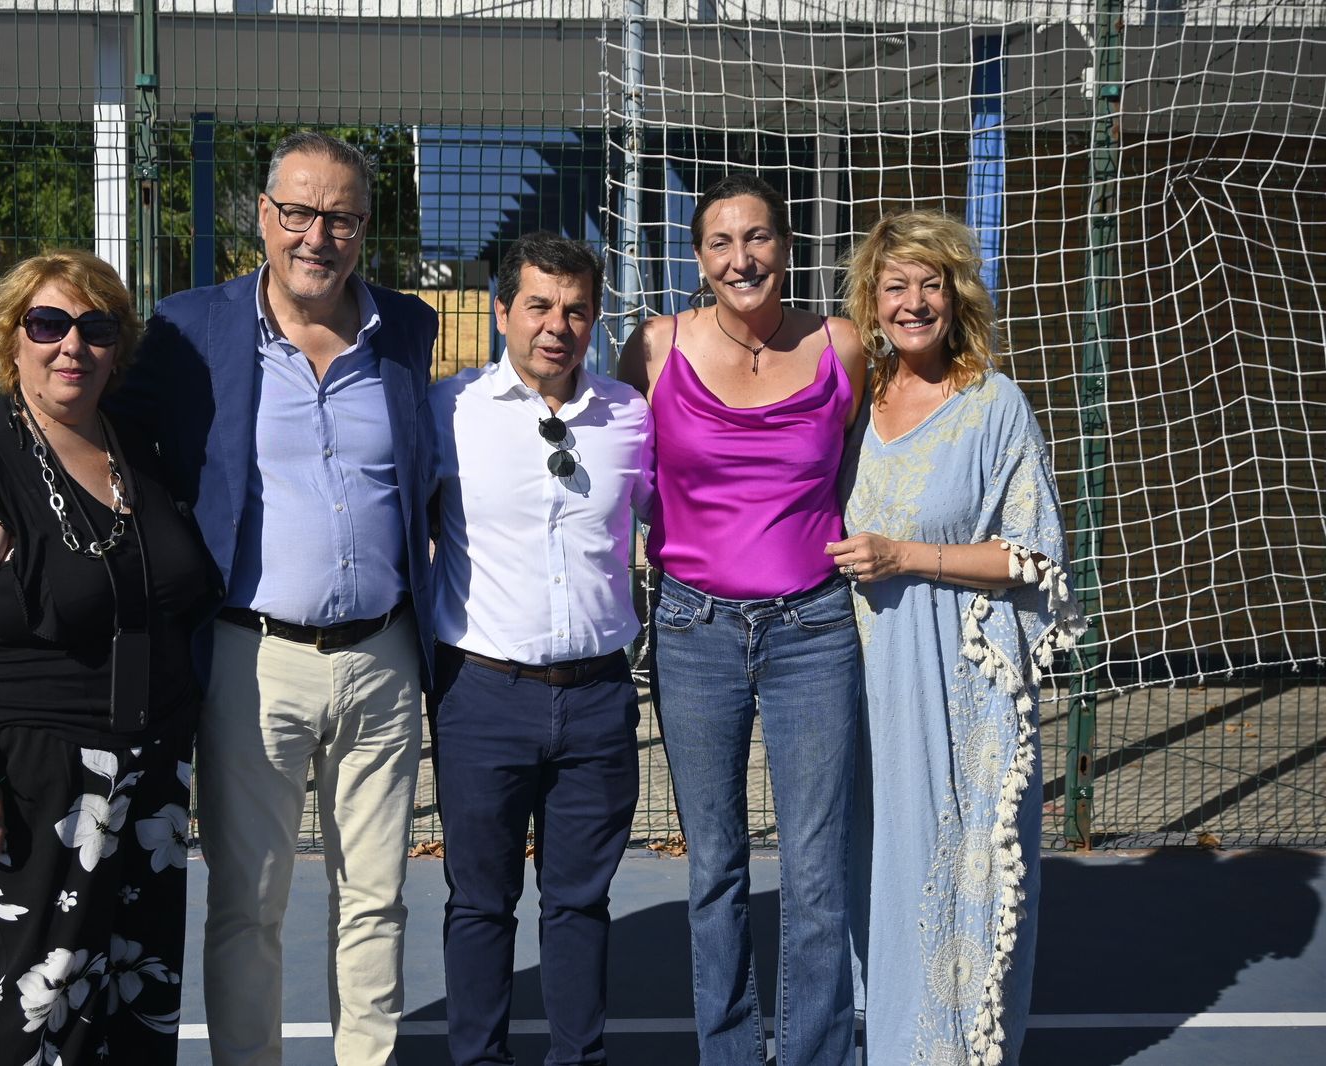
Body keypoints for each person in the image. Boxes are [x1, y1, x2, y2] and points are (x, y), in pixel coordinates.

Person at [0, 131, 439, 1066]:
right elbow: (78, 400)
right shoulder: (194, 328)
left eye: (342, 217)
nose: (317, 236)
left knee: (376, 899)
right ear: (264, 217)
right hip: (254, 657)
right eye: (298, 212)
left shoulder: (406, 328)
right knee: (249, 899)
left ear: (365, 227)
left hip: (384, 657)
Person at [0, 249, 222, 1065]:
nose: (72, 345)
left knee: (137, 1001)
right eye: (47, 324)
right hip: (35, 780)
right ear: (13, 339)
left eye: (95, 328)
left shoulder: (132, 444)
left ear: (117, 348)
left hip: (149, 776)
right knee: (39, 1011)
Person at [618, 173, 867, 1066]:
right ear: (698, 258)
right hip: (694, 630)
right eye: (721, 242)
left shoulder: (843, 345)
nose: (741, 258)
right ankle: (726, 1054)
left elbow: (876, 469)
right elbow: (611, 464)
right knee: (716, 864)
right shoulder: (654, 348)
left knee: (815, 871)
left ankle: (812, 1055)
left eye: (758, 237)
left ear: (787, 248)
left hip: (815, 631)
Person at [826, 209, 1084, 1066]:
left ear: (956, 295)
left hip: (957, 682)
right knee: (869, 870)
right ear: (872, 301)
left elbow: (1033, 554)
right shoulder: (853, 401)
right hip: (857, 679)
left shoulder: (993, 404)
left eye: (929, 285)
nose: (913, 303)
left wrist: (907, 555)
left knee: (951, 870)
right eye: (895, 286)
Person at [428, 231, 653, 1066]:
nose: (557, 326)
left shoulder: (630, 416)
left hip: (598, 699)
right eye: (539, 306)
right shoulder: (447, 410)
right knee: (479, 904)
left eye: (577, 310)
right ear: (502, 312)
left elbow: (684, 516)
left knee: (579, 903)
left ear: (595, 319)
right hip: (481, 694)